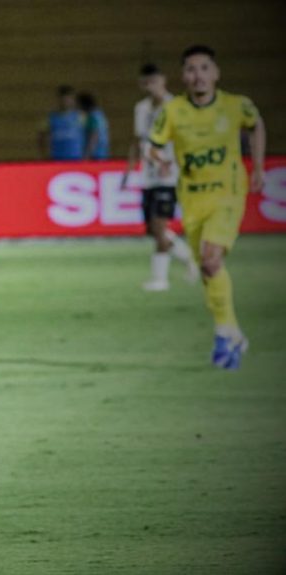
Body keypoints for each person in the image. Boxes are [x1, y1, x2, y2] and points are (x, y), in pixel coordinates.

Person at [148, 45, 266, 369]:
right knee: (208, 270)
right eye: (190, 69)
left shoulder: (235, 105)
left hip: (227, 194)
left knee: (212, 260)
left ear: (215, 73)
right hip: (193, 199)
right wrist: (158, 162)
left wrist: (257, 167)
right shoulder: (172, 112)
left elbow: (256, 125)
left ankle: (223, 334)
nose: (197, 75)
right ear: (183, 76)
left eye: (203, 68)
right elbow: (154, 147)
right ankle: (232, 331)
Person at [122, 63, 199, 291]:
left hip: (169, 175)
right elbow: (138, 141)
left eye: (154, 81)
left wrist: (177, 165)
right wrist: (129, 169)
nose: (150, 86)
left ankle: (160, 279)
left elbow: (187, 140)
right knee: (151, 229)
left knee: (159, 226)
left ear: (163, 81)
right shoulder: (141, 108)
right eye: (146, 82)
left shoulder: (176, 107)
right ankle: (188, 258)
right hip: (147, 176)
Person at [38, 85, 85, 160]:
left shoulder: (81, 116)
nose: (66, 101)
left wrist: (86, 155)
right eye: (64, 98)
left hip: (76, 159)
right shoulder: (50, 118)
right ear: (59, 99)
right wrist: (46, 156)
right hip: (57, 159)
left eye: (69, 98)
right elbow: (42, 138)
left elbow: (92, 135)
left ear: (73, 100)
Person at [78, 92, 110, 160]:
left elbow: (94, 135)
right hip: (103, 151)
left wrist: (87, 155)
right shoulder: (100, 114)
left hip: (95, 153)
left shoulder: (91, 116)